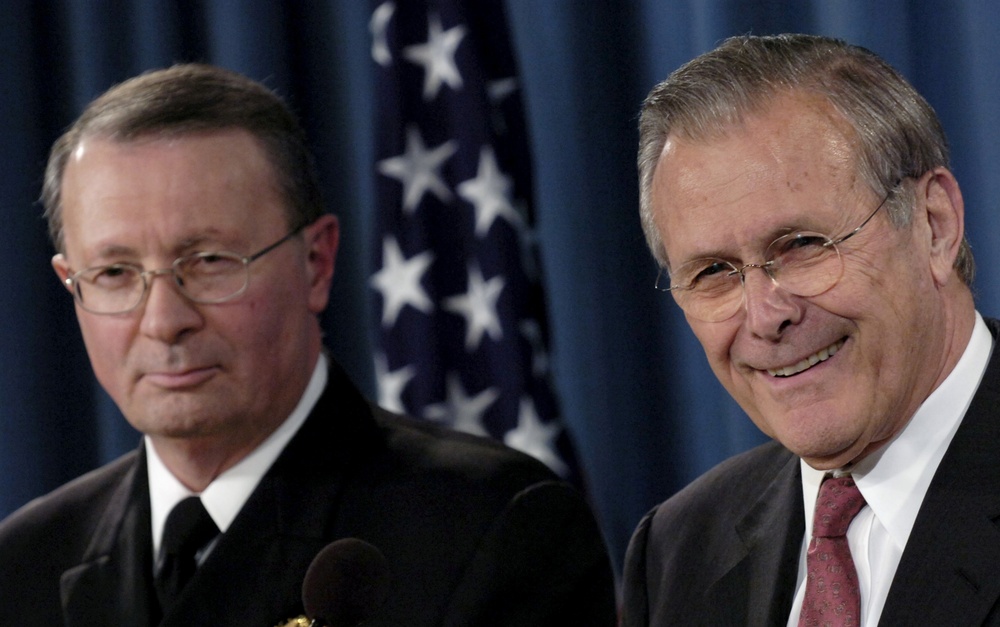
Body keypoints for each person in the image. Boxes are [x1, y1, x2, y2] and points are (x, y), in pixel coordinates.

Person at [0, 63, 616, 627]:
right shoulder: (25, 563)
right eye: (114, 274)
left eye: (211, 261)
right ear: (70, 283)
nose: (163, 320)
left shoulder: (492, 529)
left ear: (316, 263)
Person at [622, 33, 1000, 626]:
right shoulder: (678, 551)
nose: (766, 315)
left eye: (802, 246)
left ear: (934, 226)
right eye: (714, 272)